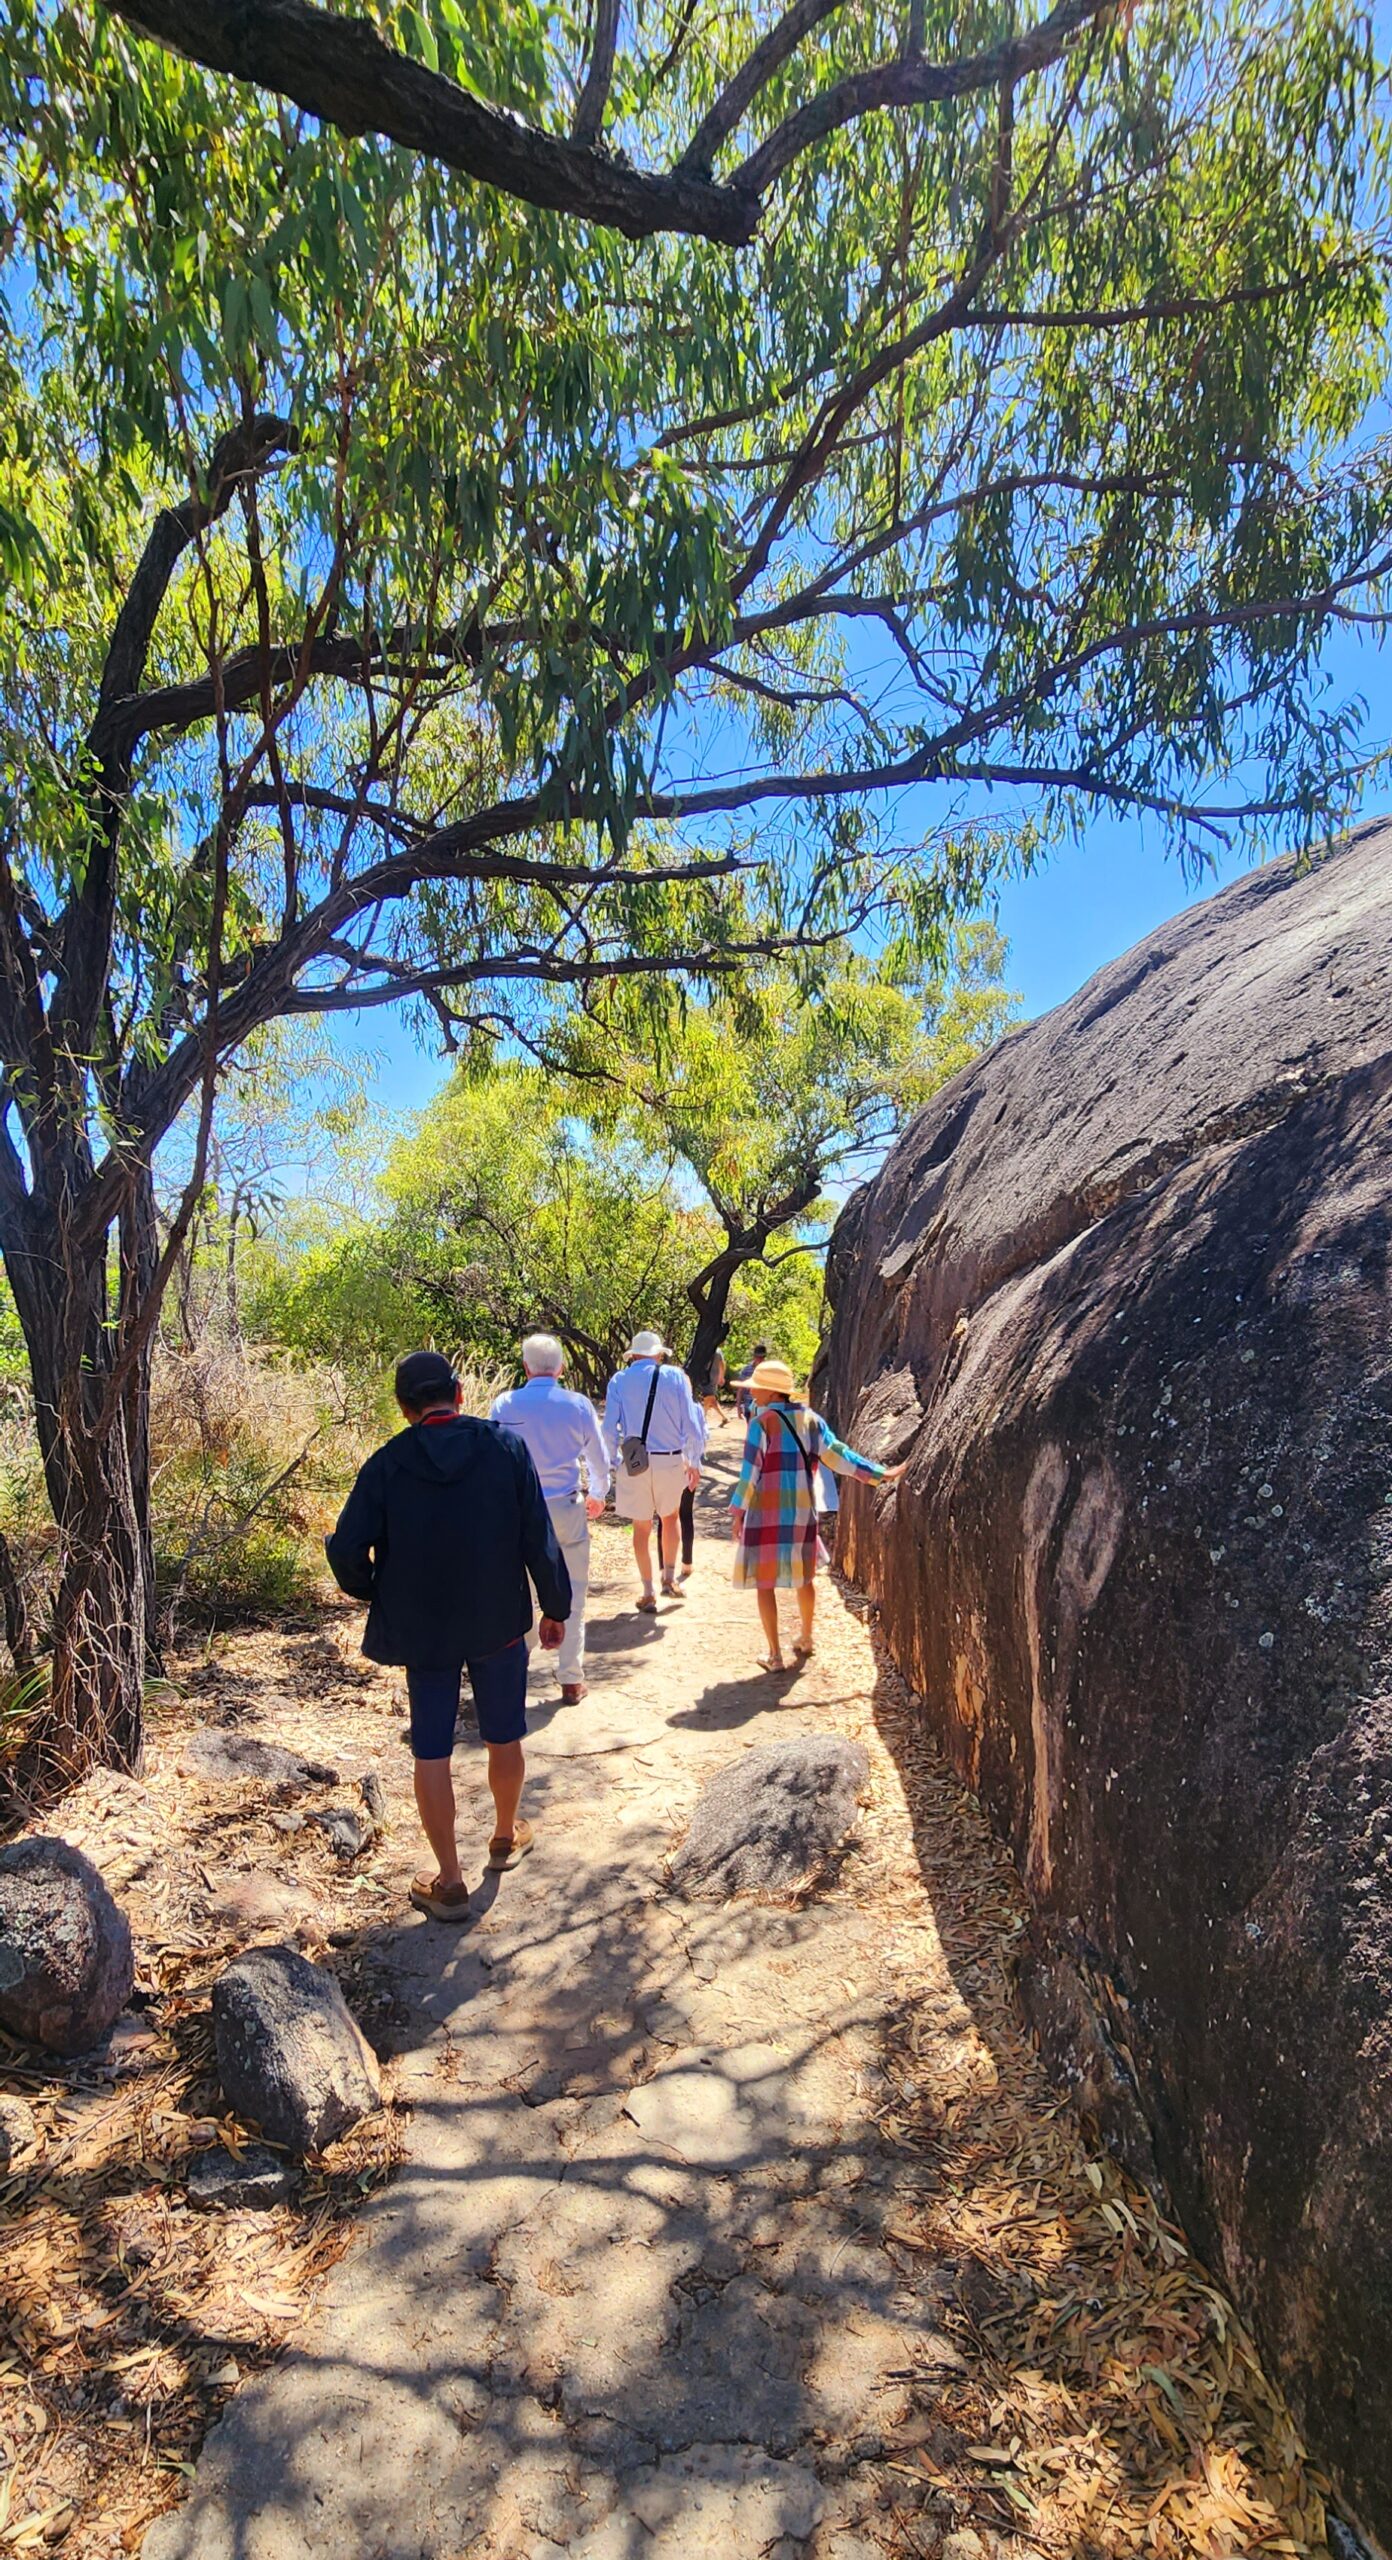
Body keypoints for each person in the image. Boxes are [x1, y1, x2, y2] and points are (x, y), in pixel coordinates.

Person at [326, 1350, 571, 1922]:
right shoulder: (505, 1449)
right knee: (504, 1732)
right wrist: (555, 1606)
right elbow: (539, 1535)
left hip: (423, 1628)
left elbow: (344, 1551)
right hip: (497, 1621)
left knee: (431, 1747)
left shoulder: (387, 1463)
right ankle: (506, 1837)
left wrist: (375, 1591)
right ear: (459, 1393)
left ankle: (450, 1880)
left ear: (404, 1408)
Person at [729, 1357, 906, 1672]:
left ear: (771, 1392)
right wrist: (880, 1474)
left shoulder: (761, 1424)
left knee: (764, 1583)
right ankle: (807, 1637)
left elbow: (749, 1474)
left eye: (757, 1387)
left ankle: (775, 1655)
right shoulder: (811, 1420)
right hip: (801, 1512)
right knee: (804, 1577)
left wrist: (738, 1511)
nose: (753, 1392)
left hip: (765, 1513)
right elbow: (839, 1456)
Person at [491, 1333, 609, 1704]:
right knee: (572, 1590)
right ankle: (571, 1679)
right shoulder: (577, 1405)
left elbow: (491, 1456)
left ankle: (516, 1675)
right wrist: (599, 1493)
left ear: (525, 1367)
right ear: (561, 1367)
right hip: (566, 1506)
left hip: (519, 1511)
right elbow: (599, 1458)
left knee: (518, 1591)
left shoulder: (505, 1404)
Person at [602, 1330, 704, 1611]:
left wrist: (609, 1466)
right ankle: (669, 1578)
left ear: (633, 1355)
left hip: (636, 1462)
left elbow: (610, 1428)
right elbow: (691, 1422)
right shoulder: (675, 1377)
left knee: (640, 1526)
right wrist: (694, 1460)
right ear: (659, 1354)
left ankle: (647, 1591)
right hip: (670, 1460)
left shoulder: (619, 1380)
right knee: (670, 1518)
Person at [733, 1343, 768, 1422]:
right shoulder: (746, 1370)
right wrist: (738, 1407)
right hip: (748, 1406)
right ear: (754, 1357)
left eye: (762, 1357)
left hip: (764, 1407)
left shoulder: (768, 1370)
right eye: (758, 1357)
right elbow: (740, 1389)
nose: (760, 1359)